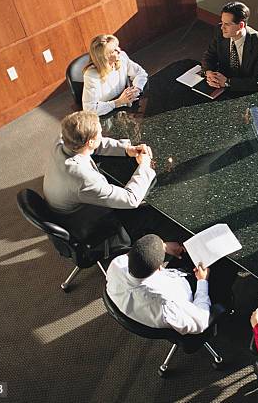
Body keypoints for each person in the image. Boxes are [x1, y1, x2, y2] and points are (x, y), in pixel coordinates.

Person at [43, 110, 155, 244]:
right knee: (144, 211)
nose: (101, 135)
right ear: (90, 142)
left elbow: (93, 145)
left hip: (59, 198)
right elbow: (131, 199)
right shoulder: (84, 179)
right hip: (78, 217)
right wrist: (144, 165)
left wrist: (126, 149)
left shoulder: (64, 138)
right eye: (100, 133)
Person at [107, 234, 212, 334]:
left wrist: (164, 246)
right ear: (159, 268)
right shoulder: (167, 305)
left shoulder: (117, 264)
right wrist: (202, 281)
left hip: (139, 305)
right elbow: (201, 322)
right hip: (192, 293)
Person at [201, 1, 258, 94]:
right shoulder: (220, 31)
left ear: (241, 25)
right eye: (222, 22)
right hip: (221, 85)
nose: (222, 27)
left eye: (227, 24)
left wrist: (228, 82)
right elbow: (210, 55)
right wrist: (208, 72)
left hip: (245, 91)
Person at [82, 34, 148, 116]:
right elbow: (90, 109)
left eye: (117, 46)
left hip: (125, 109)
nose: (119, 51)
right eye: (113, 51)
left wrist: (136, 89)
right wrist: (118, 102)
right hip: (106, 114)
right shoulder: (91, 75)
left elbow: (140, 73)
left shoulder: (122, 56)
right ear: (104, 57)